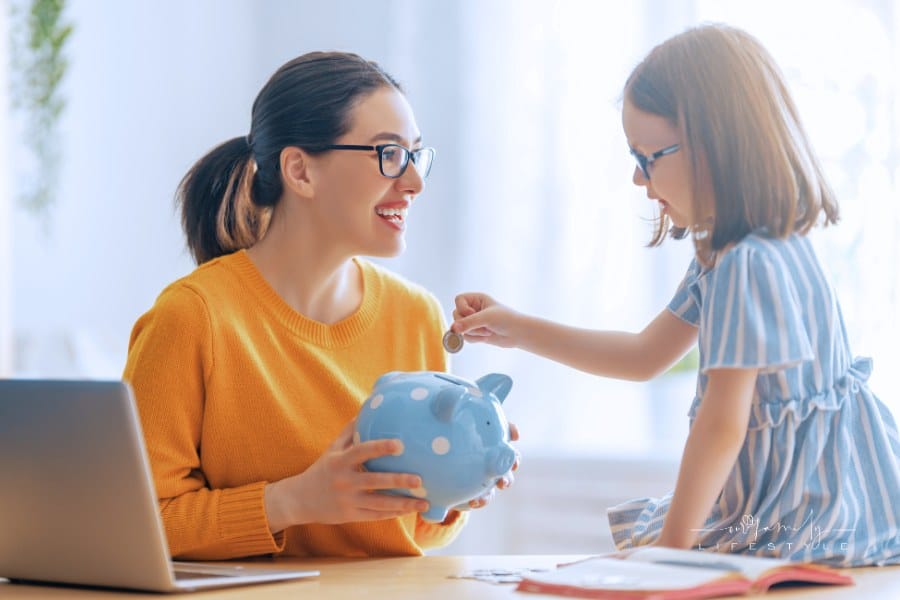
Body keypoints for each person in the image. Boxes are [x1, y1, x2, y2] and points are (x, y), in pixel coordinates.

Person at [451, 24, 900, 567]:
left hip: (798, 522)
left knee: (628, 561)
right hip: (849, 508)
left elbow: (722, 423)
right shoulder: (760, 247)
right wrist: (517, 328)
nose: (638, 179)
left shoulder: (744, 264)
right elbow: (644, 355)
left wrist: (672, 550)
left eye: (648, 157)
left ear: (715, 145)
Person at [123, 51, 516, 561]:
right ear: (300, 171)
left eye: (415, 156)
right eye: (389, 154)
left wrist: (462, 483)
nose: (414, 182)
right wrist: (291, 502)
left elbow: (412, 534)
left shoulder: (417, 315)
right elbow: (137, 522)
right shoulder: (193, 317)